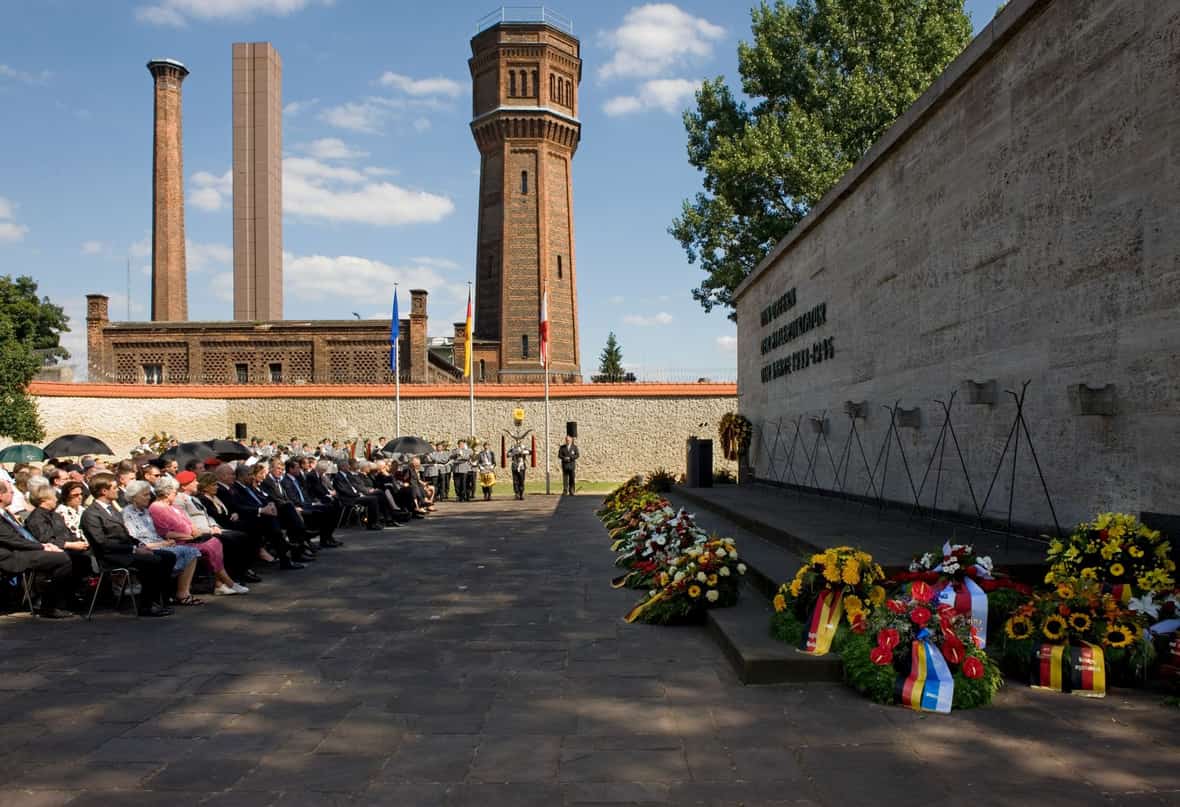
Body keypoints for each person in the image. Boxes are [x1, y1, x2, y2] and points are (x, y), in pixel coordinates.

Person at [79, 474, 174, 617]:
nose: (118, 491)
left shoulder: (112, 510)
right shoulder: (91, 514)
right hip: (110, 556)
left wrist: (141, 545)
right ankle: (146, 606)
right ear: (104, 491)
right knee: (153, 561)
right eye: (114, 488)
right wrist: (134, 549)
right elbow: (102, 543)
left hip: (126, 551)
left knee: (168, 556)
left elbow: (126, 535)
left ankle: (161, 599)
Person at [150, 476, 246, 596]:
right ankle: (229, 583)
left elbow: (188, 521)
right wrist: (188, 536)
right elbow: (164, 532)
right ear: (166, 493)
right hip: (179, 541)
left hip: (193, 537)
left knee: (215, 542)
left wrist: (195, 531)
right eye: (175, 492)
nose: (176, 495)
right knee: (209, 547)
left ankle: (219, 584)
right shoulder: (156, 508)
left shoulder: (173, 506)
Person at [0, 480, 77, 618]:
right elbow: (12, 540)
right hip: (10, 556)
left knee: (68, 555)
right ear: (1, 495)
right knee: (62, 558)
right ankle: (48, 605)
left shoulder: (6, 513)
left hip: (24, 550)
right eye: (11, 492)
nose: (13, 494)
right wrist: (43, 546)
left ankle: (59, 599)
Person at [123, 479, 203, 606]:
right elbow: (137, 540)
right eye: (145, 495)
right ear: (133, 497)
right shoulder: (128, 513)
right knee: (173, 554)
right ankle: (167, 595)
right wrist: (162, 544)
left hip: (159, 543)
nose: (149, 497)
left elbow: (154, 533)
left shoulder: (146, 511)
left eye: (149, 494)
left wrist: (165, 542)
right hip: (147, 548)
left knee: (192, 551)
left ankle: (183, 592)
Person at [182, 472, 262, 584]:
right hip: (213, 528)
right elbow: (212, 515)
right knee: (237, 536)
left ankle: (243, 569)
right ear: (206, 486)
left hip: (219, 525)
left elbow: (218, 514)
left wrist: (234, 514)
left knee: (251, 528)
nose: (217, 487)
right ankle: (236, 573)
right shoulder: (201, 498)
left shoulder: (214, 497)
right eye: (214, 484)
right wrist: (214, 526)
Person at [25, 486, 97, 593]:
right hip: (54, 551)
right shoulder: (37, 518)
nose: (56, 499)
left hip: (71, 547)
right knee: (83, 558)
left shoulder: (55, 515)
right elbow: (46, 539)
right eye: (53, 497)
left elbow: (67, 533)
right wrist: (71, 545)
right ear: (44, 500)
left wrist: (79, 542)